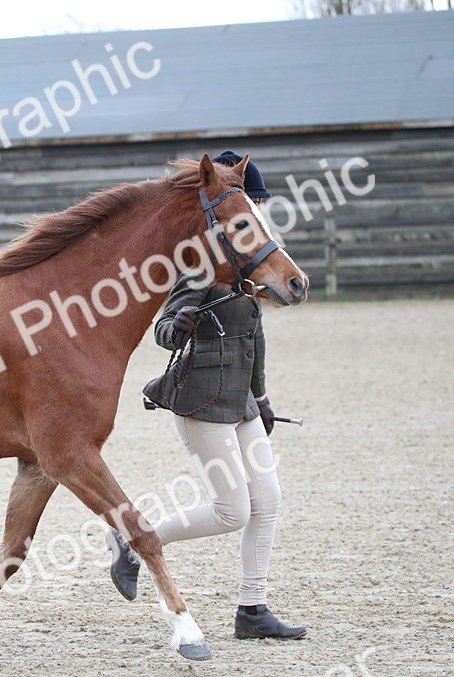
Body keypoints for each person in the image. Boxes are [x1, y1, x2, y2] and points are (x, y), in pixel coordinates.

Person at [107, 151, 307, 641]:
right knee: (232, 510)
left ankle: (252, 610)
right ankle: (134, 543)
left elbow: (254, 337)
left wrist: (262, 397)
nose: (255, 214)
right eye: (250, 205)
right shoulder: (203, 263)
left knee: (268, 501)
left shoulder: (251, 265)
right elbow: (163, 332)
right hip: (203, 401)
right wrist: (179, 324)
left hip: (242, 402)